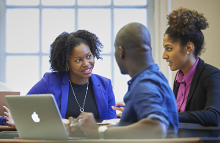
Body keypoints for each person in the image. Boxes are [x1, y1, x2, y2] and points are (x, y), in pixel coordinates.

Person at [67, 23, 178, 139]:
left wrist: (99, 132)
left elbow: (157, 127)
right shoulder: (157, 77)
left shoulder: (144, 84)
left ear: (121, 52)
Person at [3, 30, 117, 126]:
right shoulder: (50, 81)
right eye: (78, 60)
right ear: (67, 63)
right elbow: (20, 108)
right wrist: (15, 120)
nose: (86, 63)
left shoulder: (105, 84)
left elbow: (111, 124)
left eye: (89, 56)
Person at [162, 7, 220, 127]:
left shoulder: (212, 75)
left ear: (188, 48)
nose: (164, 56)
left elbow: (214, 116)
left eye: (169, 48)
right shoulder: (179, 78)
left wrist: (166, 115)